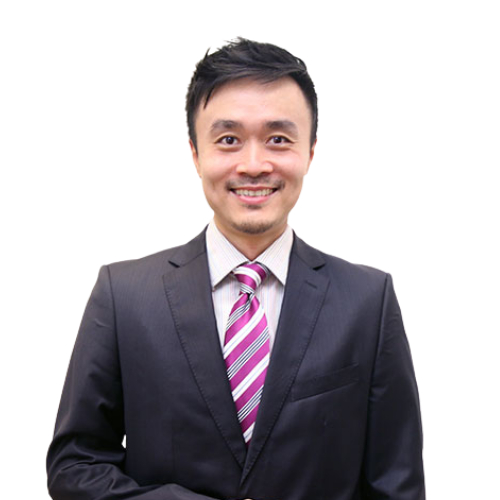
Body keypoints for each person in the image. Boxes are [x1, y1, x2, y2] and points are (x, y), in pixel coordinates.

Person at [47, 36, 425, 500]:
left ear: (310, 152)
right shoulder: (122, 295)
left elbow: (397, 485)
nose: (254, 164)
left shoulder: (368, 300)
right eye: (229, 140)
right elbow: (75, 467)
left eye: (278, 139)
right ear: (194, 152)